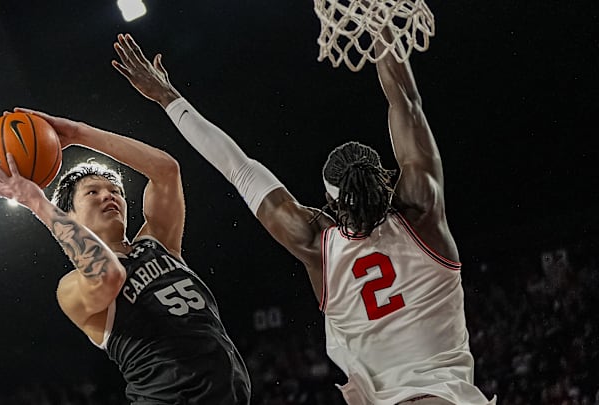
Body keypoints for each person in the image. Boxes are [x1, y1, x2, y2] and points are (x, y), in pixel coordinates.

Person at [111, 32, 496, 405]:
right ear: (386, 179)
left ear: (330, 204)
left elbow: (236, 166)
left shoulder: (317, 244)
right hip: (447, 397)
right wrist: (382, 24)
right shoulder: (424, 214)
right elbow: (405, 102)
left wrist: (167, 96)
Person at [0, 108, 251, 404]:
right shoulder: (71, 288)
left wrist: (80, 133)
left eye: (115, 191)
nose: (108, 195)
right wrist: (34, 200)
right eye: (92, 193)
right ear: (68, 215)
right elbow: (109, 274)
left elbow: (166, 170)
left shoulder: (158, 243)